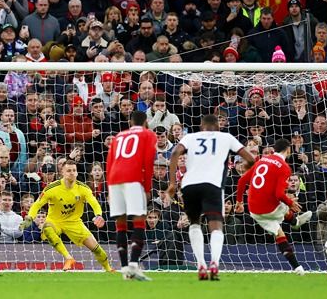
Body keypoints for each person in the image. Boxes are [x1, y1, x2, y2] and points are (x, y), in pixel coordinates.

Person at [167, 114, 255, 280]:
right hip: (213, 185)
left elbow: (174, 153)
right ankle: (214, 263)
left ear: (202, 126)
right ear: (218, 127)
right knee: (215, 225)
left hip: (189, 185)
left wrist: (172, 183)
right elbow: (251, 159)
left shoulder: (191, 137)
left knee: (194, 223)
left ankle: (201, 264)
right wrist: (246, 170)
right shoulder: (226, 137)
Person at [234, 138, 312, 275]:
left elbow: (241, 181)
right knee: (283, 202)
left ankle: (298, 268)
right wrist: (291, 203)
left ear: (274, 149)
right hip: (269, 208)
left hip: (253, 209)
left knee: (279, 234)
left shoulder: (261, 160)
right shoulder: (284, 167)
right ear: (288, 150)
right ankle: (295, 221)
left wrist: (239, 202)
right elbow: (279, 194)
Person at [19, 159, 112, 272]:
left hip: (74, 222)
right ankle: (68, 258)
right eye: (68, 170)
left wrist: (98, 215)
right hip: (55, 221)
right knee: (47, 228)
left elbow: (95, 203)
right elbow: (37, 204)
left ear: (77, 172)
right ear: (62, 172)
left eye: (74, 170)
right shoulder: (52, 188)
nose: (72, 173)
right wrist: (29, 217)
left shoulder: (83, 188)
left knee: (97, 249)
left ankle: (108, 268)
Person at [106, 111, 157, 281]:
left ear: (130, 122)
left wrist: (108, 188)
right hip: (133, 178)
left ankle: (124, 269)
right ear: (145, 122)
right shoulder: (148, 134)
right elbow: (148, 161)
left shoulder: (119, 135)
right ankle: (134, 265)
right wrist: (148, 187)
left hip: (114, 178)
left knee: (120, 224)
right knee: (139, 220)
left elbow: (109, 162)